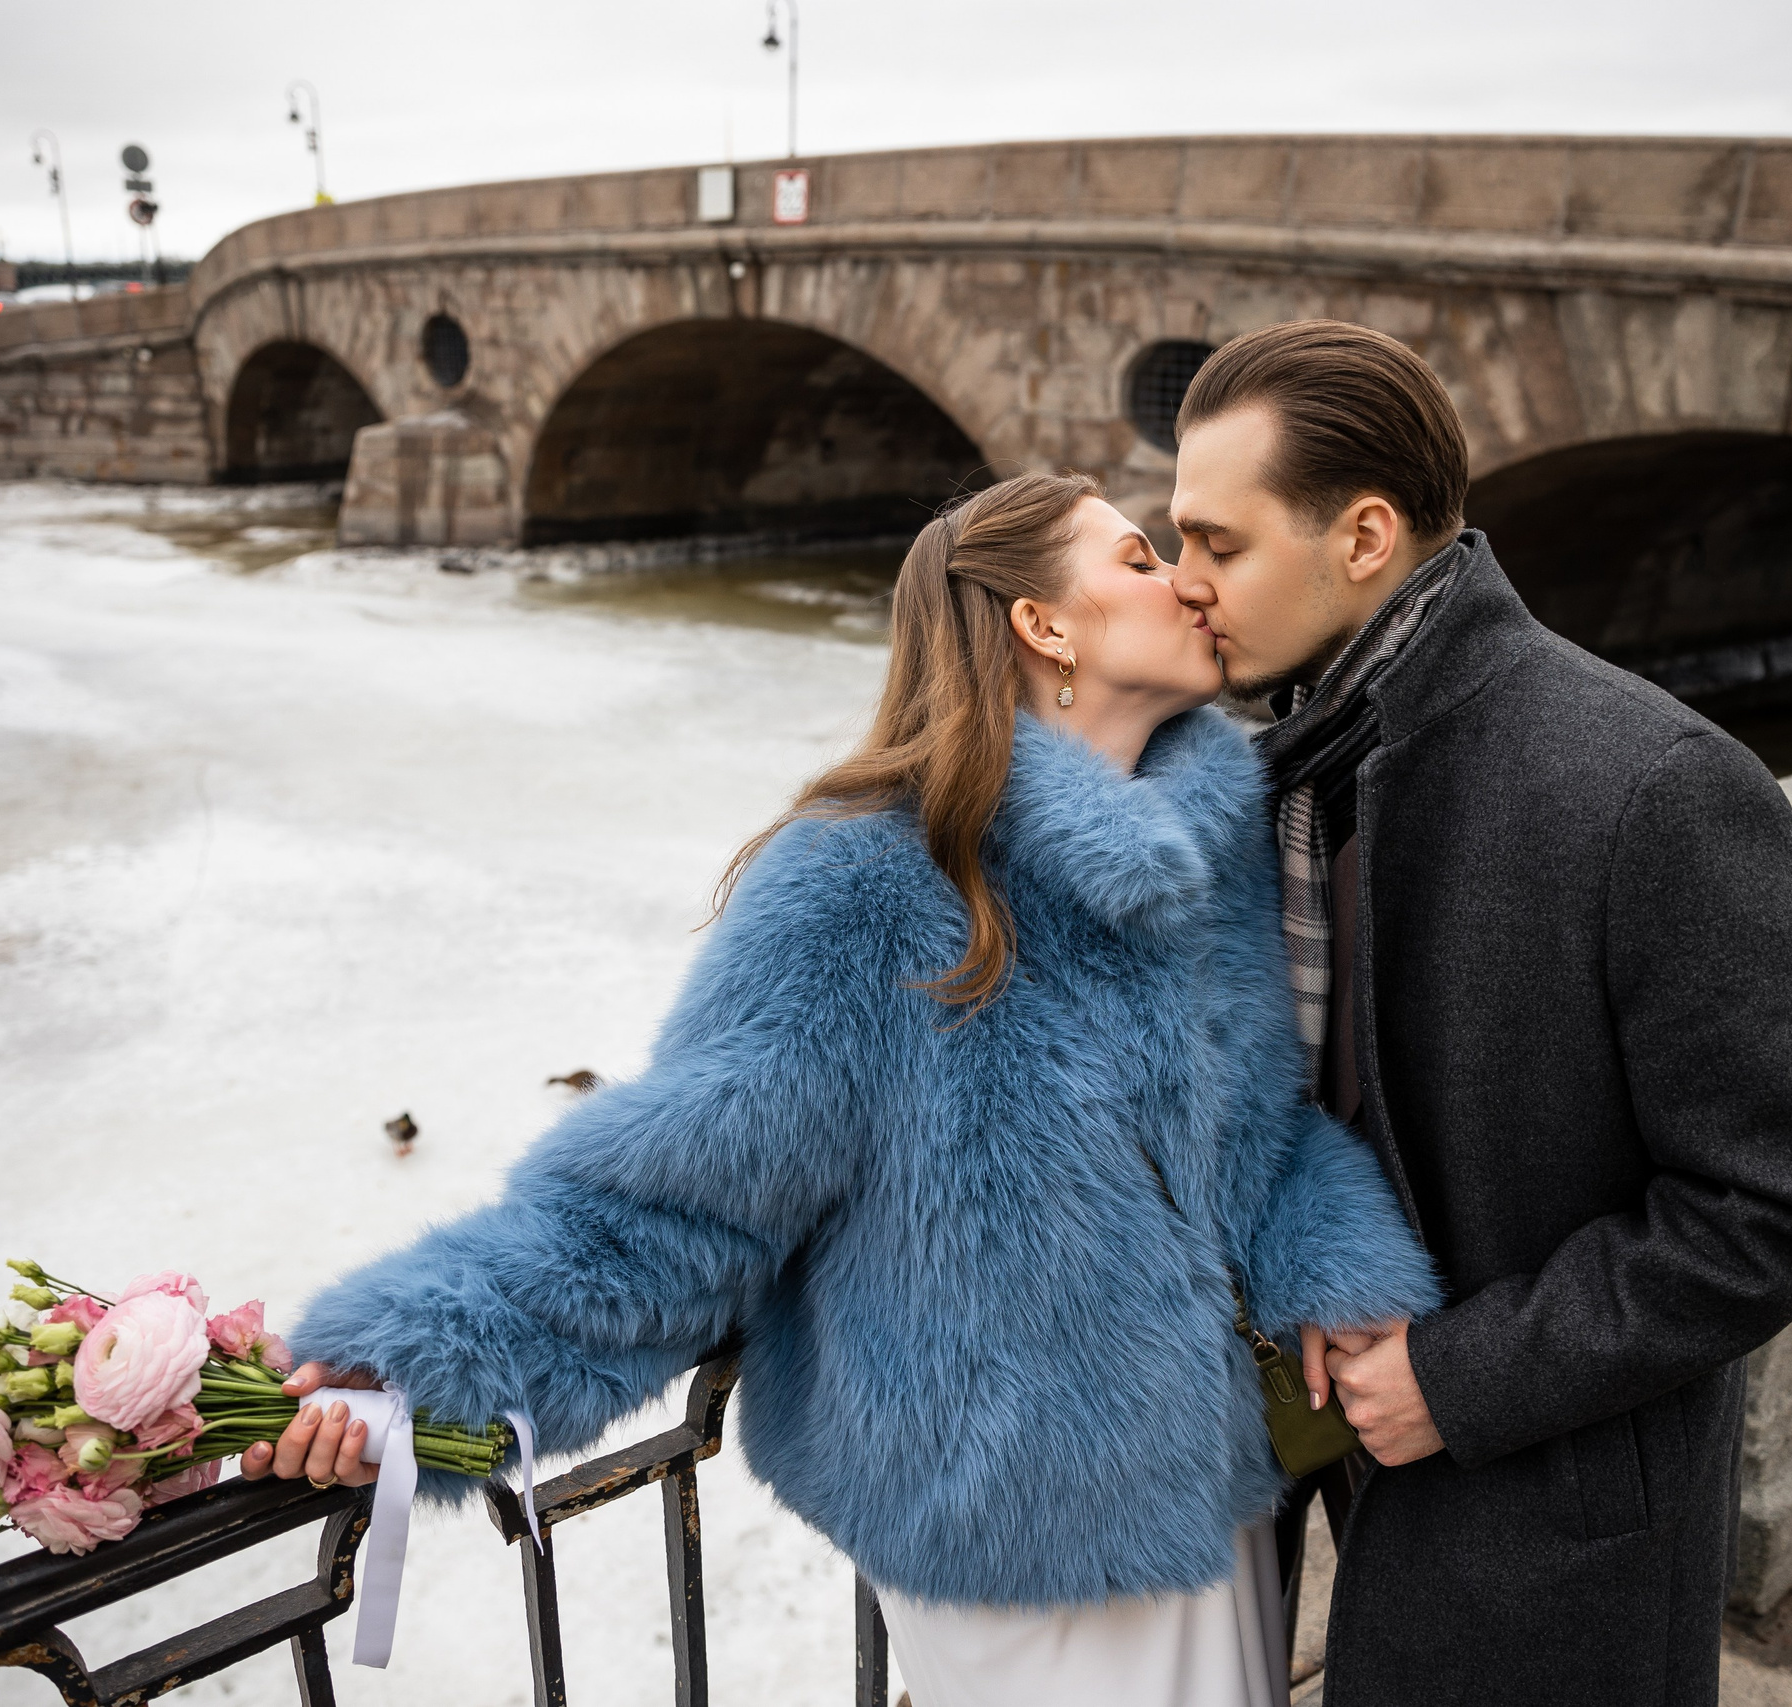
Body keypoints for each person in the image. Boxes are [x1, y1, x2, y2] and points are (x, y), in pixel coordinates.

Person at [245, 470, 1442, 1707]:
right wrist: (411, 1363)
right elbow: (678, 1201)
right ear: (1042, 624)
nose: (1186, 579)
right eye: (1138, 558)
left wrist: (1337, 1269)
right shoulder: (864, 874)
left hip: (1210, 1477)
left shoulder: (1206, 848)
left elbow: (1255, 1141)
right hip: (1009, 1517)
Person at [1165, 320, 1792, 1707]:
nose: (1186, 584)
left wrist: (1462, 1373)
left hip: (1538, 1519)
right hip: (1290, 1458)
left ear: (1364, 534)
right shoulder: (1288, 757)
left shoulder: (1656, 786)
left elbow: (1791, 1200)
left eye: (1218, 543)